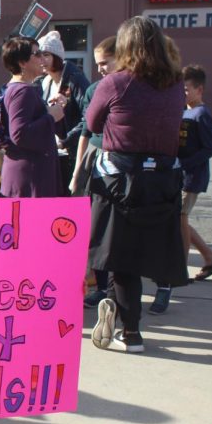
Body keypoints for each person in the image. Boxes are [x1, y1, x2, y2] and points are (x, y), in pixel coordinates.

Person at [86, 16, 186, 353]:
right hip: (163, 180)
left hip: (121, 180)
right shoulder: (175, 84)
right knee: (141, 254)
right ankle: (115, 306)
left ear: (125, 47)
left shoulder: (116, 82)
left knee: (119, 255)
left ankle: (130, 333)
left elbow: (92, 122)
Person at [70, 36, 116, 308]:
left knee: (114, 229)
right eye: (97, 63)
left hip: (119, 163)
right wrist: (77, 170)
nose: (100, 68)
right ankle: (98, 283)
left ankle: (113, 287)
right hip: (95, 159)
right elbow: (86, 132)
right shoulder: (94, 89)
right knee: (95, 226)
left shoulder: (129, 88)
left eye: (105, 63)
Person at [0, 36, 65, 198]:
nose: (42, 58)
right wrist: (51, 116)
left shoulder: (18, 89)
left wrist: (50, 110)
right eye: (37, 54)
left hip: (27, 174)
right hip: (29, 179)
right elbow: (20, 134)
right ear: (22, 62)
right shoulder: (22, 91)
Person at [36, 30, 90, 194]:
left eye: (46, 55)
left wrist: (65, 140)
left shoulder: (75, 79)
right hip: (52, 153)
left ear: (57, 56)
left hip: (72, 155)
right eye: (39, 55)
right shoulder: (44, 82)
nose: (41, 60)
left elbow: (88, 119)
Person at [177, 64, 212, 282]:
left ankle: (180, 268)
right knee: (179, 219)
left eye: (186, 89)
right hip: (182, 175)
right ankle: (209, 256)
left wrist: (185, 164)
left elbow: (210, 147)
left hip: (192, 177)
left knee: (180, 218)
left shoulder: (201, 114)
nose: (183, 93)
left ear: (199, 89)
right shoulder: (185, 111)